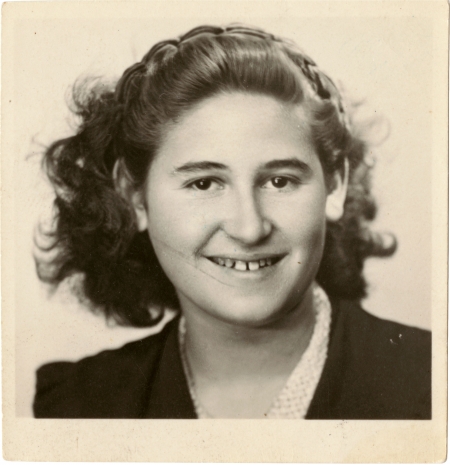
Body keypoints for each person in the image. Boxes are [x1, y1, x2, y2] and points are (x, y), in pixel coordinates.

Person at [32, 24, 431, 419]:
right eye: (204, 183)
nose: (249, 228)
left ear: (335, 186)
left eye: (280, 181)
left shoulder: (429, 382)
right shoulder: (76, 405)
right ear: (135, 195)